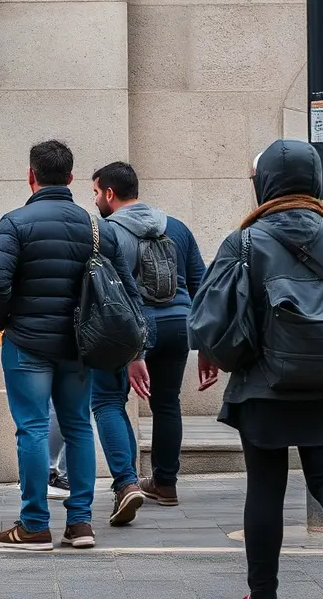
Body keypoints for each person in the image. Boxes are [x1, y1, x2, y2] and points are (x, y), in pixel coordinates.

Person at [192, 140, 323, 597]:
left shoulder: (244, 240)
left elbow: (211, 317)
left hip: (263, 387)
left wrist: (211, 353)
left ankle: (263, 593)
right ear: (315, 180)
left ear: (264, 185)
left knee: (265, 486)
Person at [0, 140, 139, 551]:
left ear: (31, 176)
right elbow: (126, 289)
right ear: (70, 178)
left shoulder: (14, 222)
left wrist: (6, 323)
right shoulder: (96, 227)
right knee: (77, 426)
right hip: (78, 347)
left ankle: (34, 525)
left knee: (32, 428)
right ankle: (81, 524)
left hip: (27, 343)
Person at [90, 162, 207, 522]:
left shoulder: (106, 232)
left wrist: (133, 349)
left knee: (109, 399)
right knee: (167, 403)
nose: (94, 199)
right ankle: (166, 484)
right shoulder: (177, 227)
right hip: (179, 324)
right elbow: (201, 283)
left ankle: (127, 483)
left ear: (109, 193)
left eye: (95, 192)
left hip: (133, 328)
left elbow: (106, 291)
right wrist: (205, 340)